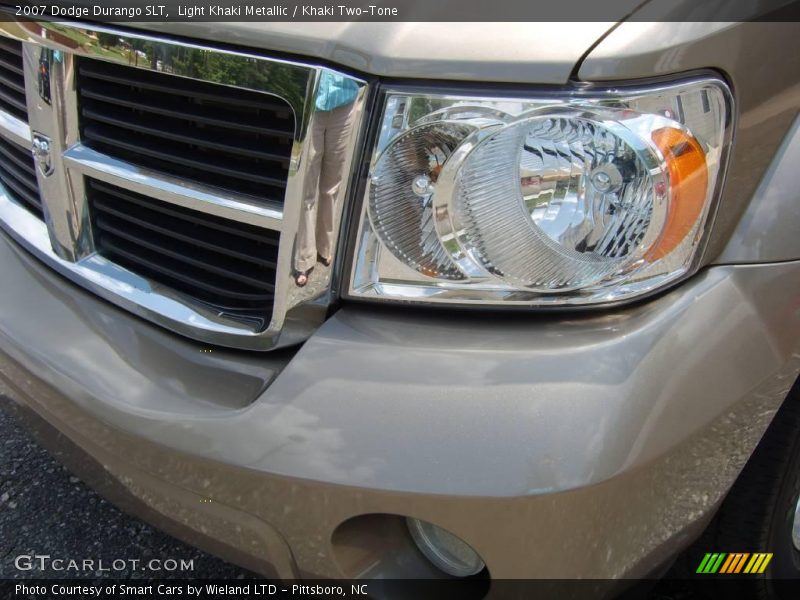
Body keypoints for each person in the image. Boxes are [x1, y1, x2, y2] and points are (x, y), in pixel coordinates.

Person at [293, 70, 359, 287]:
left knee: (331, 186)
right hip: (311, 106)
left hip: (345, 102)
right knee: (306, 188)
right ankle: (304, 258)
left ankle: (324, 246)